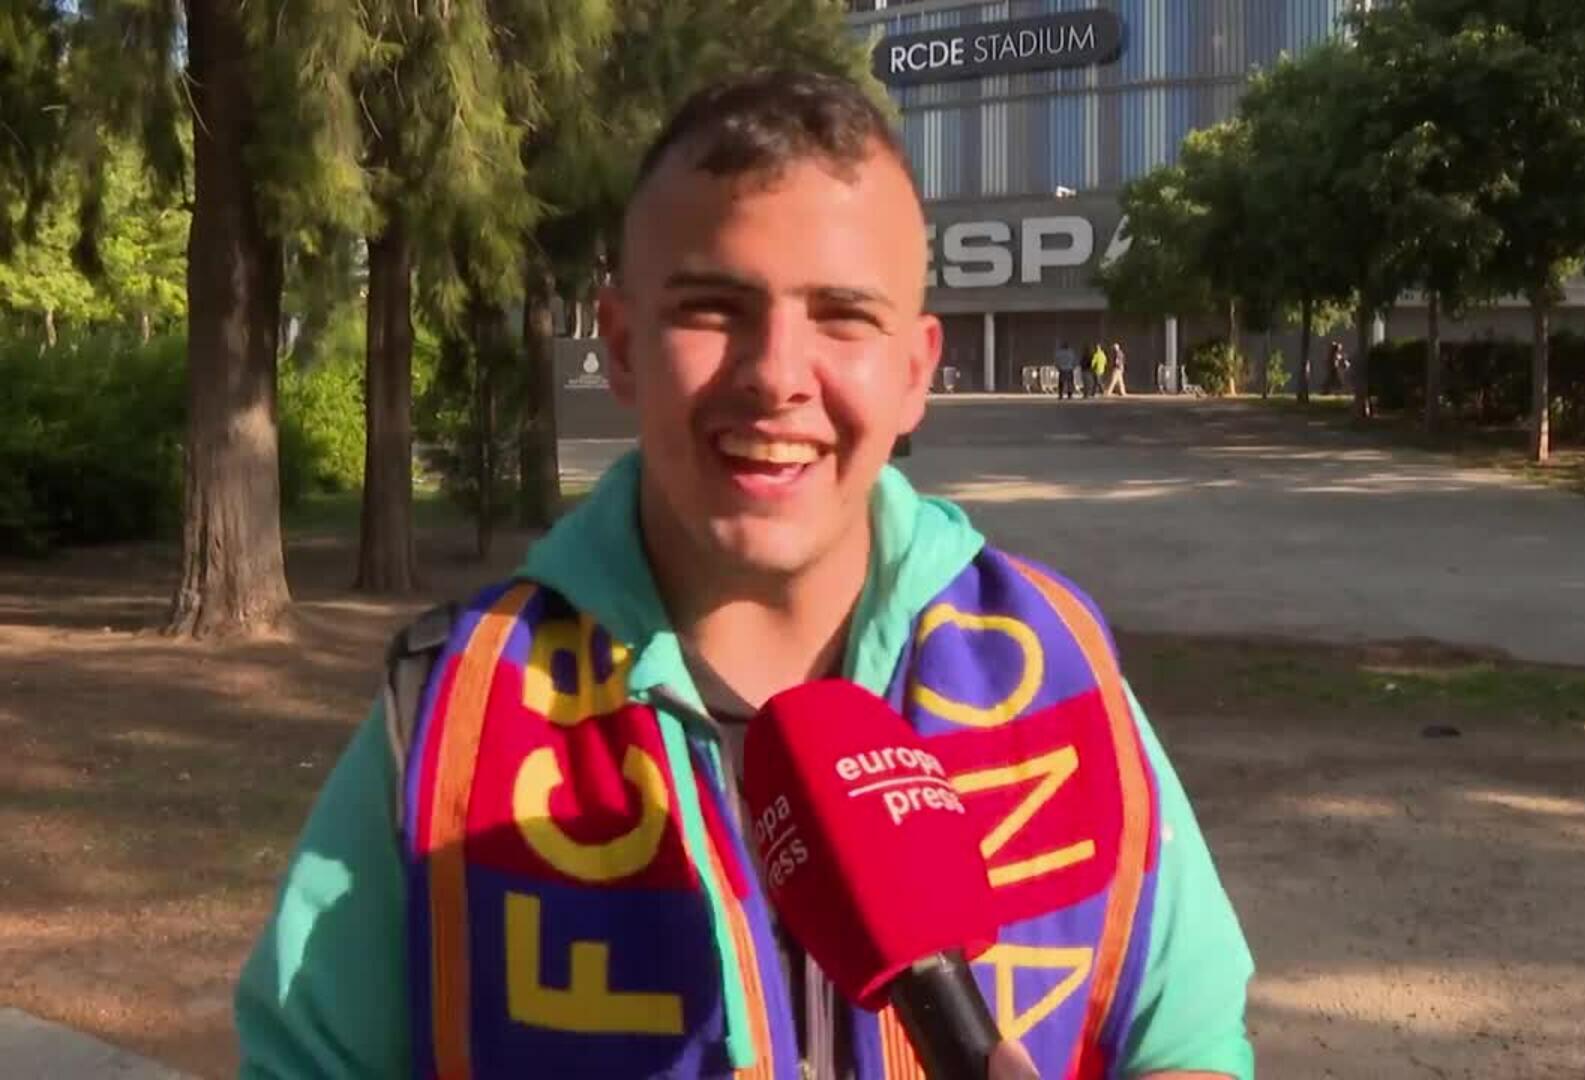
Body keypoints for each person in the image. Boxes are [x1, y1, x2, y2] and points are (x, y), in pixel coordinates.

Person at [233, 70, 1254, 1080]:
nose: (775, 374)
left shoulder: (1054, 666)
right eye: (715, 307)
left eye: (845, 314)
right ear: (624, 347)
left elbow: (1187, 1042)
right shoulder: (455, 711)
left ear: (913, 372)